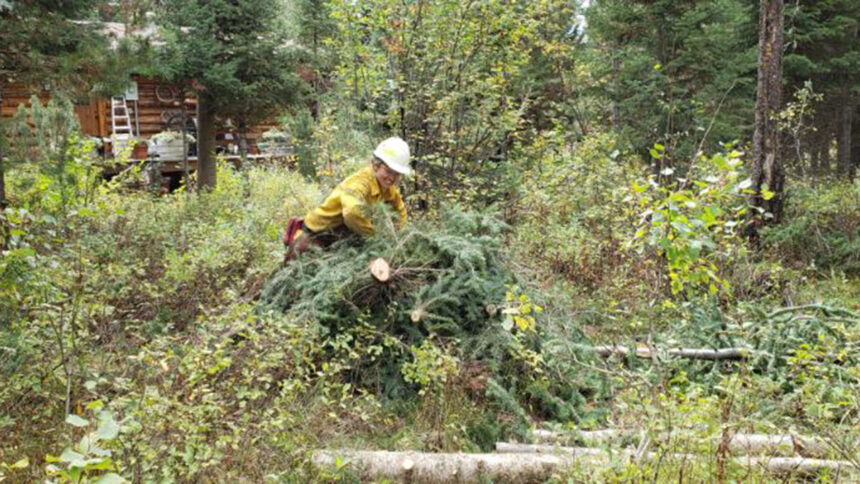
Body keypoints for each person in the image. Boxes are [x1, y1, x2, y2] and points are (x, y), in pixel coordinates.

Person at [284, 136, 412, 261]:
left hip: (340, 242)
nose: (392, 178)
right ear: (375, 165)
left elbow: (400, 209)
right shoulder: (359, 184)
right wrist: (376, 238)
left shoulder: (388, 188)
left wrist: (398, 235)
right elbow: (352, 213)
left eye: (397, 174)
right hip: (315, 238)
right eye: (388, 171)